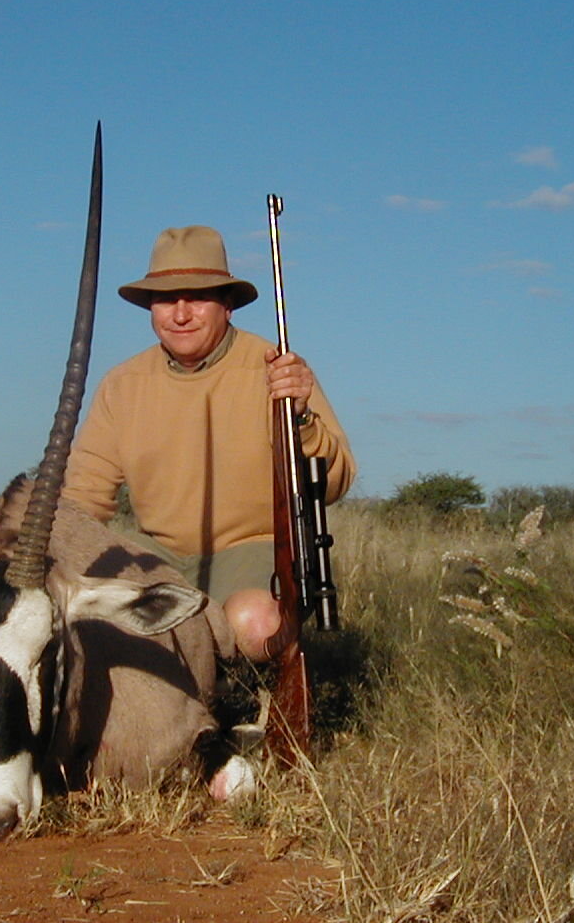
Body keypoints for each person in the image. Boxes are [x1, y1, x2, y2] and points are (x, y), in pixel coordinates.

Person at [63, 225, 356, 661]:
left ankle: (252, 696)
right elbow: (83, 494)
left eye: (196, 298)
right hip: (156, 555)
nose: (180, 314)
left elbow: (334, 483)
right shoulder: (122, 384)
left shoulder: (275, 369)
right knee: (87, 620)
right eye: (165, 299)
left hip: (250, 550)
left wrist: (302, 417)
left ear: (228, 305)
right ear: (151, 308)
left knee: (254, 623)